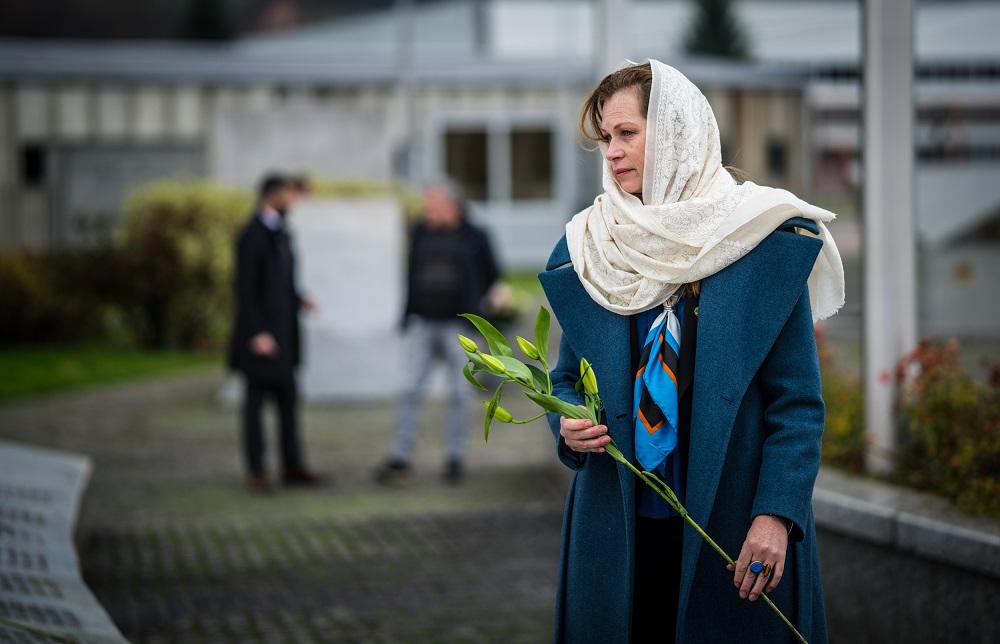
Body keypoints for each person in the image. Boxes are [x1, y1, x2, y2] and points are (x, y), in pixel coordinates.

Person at [538, 60, 845, 643]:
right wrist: (566, 421)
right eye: (606, 137)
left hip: (733, 533)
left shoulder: (760, 240)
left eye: (627, 134)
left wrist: (776, 515)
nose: (612, 152)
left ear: (679, 133)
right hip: (618, 531)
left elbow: (797, 407)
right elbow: (565, 380)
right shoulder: (591, 244)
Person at [374, 181, 500, 484]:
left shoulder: (475, 236)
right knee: (407, 389)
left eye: (432, 204)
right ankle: (400, 457)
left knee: (460, 393)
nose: (427, 210)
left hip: (460, 327)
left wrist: (482, 304)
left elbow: (493, 272)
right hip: (422, 322)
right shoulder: (419, 231)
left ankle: (454, 458)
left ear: (451, 205)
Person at [227, 173, 321, 492]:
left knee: (288, 403)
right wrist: (258, 332)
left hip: (285, 334)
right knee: (254, 406)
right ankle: (257, 471)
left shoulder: (282, 232)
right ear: (272, 196)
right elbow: (246, 289)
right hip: (262, 338)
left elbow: (281, 281)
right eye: (289, 196)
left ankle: (292, 466)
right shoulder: (252, 236)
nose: (293, 202)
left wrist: (298, 299)